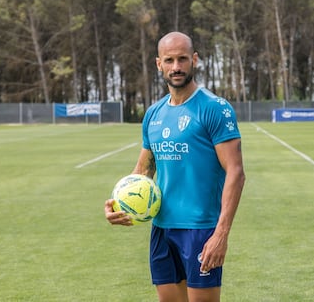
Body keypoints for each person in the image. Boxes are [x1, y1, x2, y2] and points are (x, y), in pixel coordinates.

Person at [105, 31, 245, 302]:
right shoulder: (154, 114)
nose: (176, 67)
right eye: (169, 60)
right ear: (159, 64)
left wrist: (221, 233)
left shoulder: (215, 108)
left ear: (194, 60)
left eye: (182, 59)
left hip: (200, 229)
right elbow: (143, 171)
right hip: (162, 227)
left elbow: (236, 173)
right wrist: (117, 205)